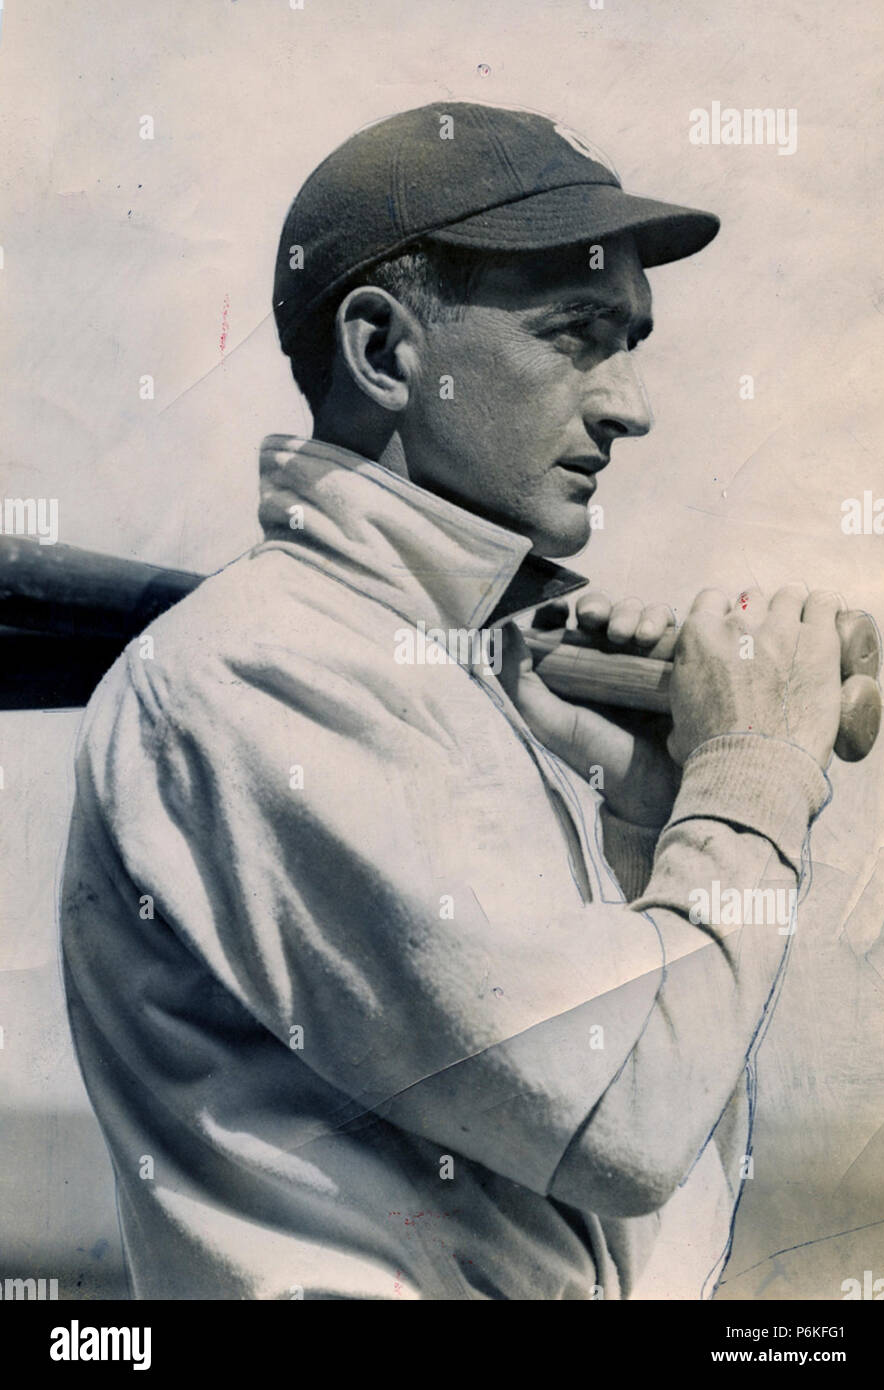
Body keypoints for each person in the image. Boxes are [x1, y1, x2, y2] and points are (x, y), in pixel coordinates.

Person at [59, 101, 844, 1300]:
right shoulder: (266, 669)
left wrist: (651, 820)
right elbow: (623, 1121)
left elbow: (630, 1223)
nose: (629, 406)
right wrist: (752, 773)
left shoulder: (434, 666)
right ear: (383, 353)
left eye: (629, 342)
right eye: (577, 334)